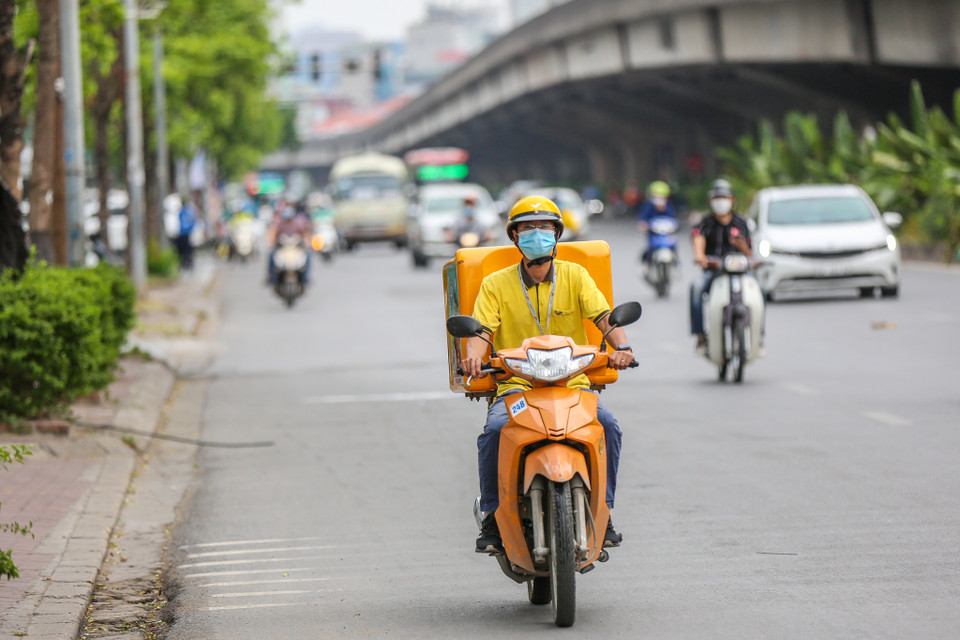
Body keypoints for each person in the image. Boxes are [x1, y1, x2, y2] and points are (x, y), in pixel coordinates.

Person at [460, 195, 635, 554]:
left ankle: (604, 512)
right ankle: (492, 515)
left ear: (557, 234)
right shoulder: (495, 284)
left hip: (573, 384)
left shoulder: (576, 275)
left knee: (608, 426)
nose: (536, 233)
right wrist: (473, 359)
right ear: (514, 236)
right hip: (517, 387)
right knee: (495, 430)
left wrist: (623, 348)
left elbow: (605, 318)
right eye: (528, 228)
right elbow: (481, 333)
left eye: (544, 227)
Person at [689, 178, 753, 353]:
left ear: (731, 199)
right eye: (717, 197)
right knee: (696, 289)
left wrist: (743, 247)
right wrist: (700, 256)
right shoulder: (705, 223)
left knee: (759, 291)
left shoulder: (741, 223)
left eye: (724, 197)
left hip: (740, 272)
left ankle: (759, 337)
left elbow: (751, 253)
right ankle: (700, 337)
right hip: (714, 270)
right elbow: (698, 238)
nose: (721, 201)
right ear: (711, 200)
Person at [266, 204, 313, 286]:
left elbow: (304, 234)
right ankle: (272, 278)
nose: (288, 219)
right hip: (283, 248)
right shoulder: (280, 225)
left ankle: (305, 278)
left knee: (307, 255)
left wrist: (307, 242)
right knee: (272, 256)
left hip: (296, 248)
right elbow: (273, 234)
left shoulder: (298, 224)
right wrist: (271, 243)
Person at [637, 181, 678, 264]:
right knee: (650, 248)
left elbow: (673, 220)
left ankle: (676, 263)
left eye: (662, 197)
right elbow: (642, 220)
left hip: (666, 234)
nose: (659, 200)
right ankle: (647, 264)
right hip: (654, 234)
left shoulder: (669, 207)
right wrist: (644, 225)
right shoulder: (648, 207)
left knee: (674, 245)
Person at [176, 195, 198, 271]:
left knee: (187, 250)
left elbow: (193, 221)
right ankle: (186, 263)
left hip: (187, 233)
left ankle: (188, 263)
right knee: (184, 250)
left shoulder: (187, 211)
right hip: (183, 233)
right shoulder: (183, 211)